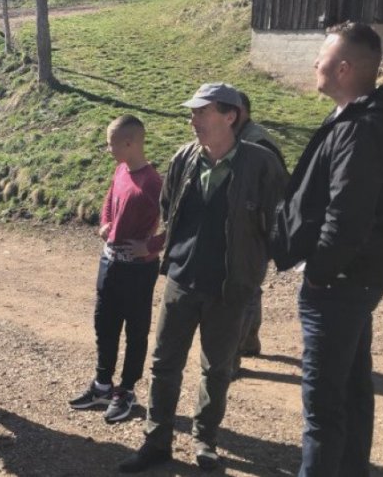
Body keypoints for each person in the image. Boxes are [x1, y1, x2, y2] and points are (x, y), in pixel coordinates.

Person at [119, 83, 286, 473]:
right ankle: (155, 443)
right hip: (182, 279)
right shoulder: (184, 158)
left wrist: (254, 267)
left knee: (217, 369)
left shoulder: (262, 164)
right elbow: (169, 208)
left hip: (230, 288)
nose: (192, 120)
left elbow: (279, 221)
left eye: (201, 112)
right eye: (192, 112)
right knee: (164, 365)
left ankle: (205, 442)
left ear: (230, 116)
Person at [272, 22, 383, 477]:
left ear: (345, 68)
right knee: (350, 385)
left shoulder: (363, 128)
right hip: (355, 277)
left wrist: (320, 272)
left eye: (324, 56)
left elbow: (348, 215)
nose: (316, 62)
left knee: (323, 403)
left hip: (340, 281)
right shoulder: (363, 118)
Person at [68, 115, 163, 423]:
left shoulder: (153, 182)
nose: (107, 148)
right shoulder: (121, 169)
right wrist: (104, 223)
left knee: (135, 330)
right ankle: (102, 385)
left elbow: (178, 222)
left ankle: (127, 389)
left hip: (138, 271)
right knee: (104, 323)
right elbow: (109, 200)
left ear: (130, 143)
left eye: (111, 143)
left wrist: (151, 246)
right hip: (109, 262)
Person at [232, 90, 287, 377]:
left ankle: (234, 354)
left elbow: (276, 187)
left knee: (244, 287)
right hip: (251, 223)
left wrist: (267, 231)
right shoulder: (243, 135)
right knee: (249, 286)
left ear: (240, 112)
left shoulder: (258, 142)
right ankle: (249, 342)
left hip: (256, 225)